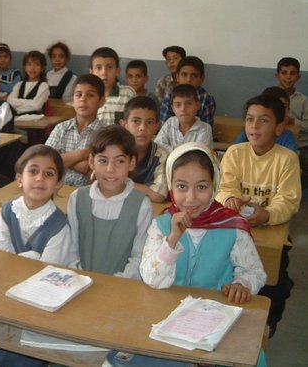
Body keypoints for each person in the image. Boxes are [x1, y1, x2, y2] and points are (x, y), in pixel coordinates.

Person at [106, 143, 266, 367]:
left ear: (214, 185)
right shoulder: (161, 226)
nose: (191, 198)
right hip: (164, 319)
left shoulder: (232, 226)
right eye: (181, 186)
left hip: (215, 320)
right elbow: (153, 280)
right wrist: (172, 240)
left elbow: (254, 271)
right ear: (171, 186)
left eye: (201, 187)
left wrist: (242, 283)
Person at [0, 145, 77, 367]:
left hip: (43, 298)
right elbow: (1, 257)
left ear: (58, 185)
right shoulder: (6, 211)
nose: (39, 179)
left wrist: (21, 260)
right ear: (19, 179)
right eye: (33, 171)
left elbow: (46, 272)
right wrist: (31, 256)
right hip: (6, 287)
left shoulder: (60, 225)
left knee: (23, 351)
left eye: (49, 174)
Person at [216, 94, 301, 337]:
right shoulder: (234, 152)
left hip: (270, 232)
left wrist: (267, 214)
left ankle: (268, 323)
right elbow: (224, 189)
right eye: (250, 119)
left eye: (264, 120)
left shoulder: (287, 159)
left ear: (279, 127)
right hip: (235, 228)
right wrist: (230, 200)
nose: (254, 126)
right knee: (228, 274)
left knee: (277, 282)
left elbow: (288, 201)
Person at [67, 125, 153, 279]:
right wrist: (79, 275)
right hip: (79, 283)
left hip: (122, 288)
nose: (110, 169)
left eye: (119, 161)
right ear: (92, 161)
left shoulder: (142, 205)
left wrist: (115, 284)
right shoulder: (77, 198)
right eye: (103, 160)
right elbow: (70, 248)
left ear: (132, 163)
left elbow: (139, 257)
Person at [45, 74, 105, 186]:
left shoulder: (105, 134)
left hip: (87, 193)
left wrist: (61, 158)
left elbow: (96, 172)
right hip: (56, 189)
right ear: (72, 100)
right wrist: (81, 155)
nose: (83, 99)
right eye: (78, 95)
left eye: (90, 95)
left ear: (101, 101)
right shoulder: (61, 128)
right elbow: (46, 161)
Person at [120, 96, 168, 202]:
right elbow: (100, 181)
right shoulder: (114, 150)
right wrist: (146, 189)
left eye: (149, 122)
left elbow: (158, 195)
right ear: (124, 125)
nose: (142, 127)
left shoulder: (162, 154)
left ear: (157, 126)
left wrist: (119, 182)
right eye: (136, 121)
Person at [275, 57, 308, 188]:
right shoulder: (270, 96)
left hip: (301, 144)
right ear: (277, 75)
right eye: (284, 73)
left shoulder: (303, 100)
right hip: (276, 141)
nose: (288, 77)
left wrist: (294, 121)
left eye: (292, 73)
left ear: (298, 77)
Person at [233, 86, 297, 152]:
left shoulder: (287, 137)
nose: (280, 110)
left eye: (284, 106)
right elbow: (236, 151)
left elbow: (290, 156)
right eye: (250, 119)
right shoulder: (250, 133)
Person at [160, 56, 216, 129]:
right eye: (184, 74)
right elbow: (164, 126)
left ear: (202, 79)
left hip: (197, 138)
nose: (188, 79)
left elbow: (206, 129)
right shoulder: (169, 96)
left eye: (194, 75)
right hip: (172, 137)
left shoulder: (206, 99)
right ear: (177, 77)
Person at [154, 84, 213, 151]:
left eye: (188, 104)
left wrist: (169, 149)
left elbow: (197, 154)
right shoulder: (170, 122)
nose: (183, 109)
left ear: (197, 105)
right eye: (178, 105)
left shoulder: (205, 128)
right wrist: (187, 150)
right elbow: (157, 147)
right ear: (173, 108)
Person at [89, 47, 135, 125]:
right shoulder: (88, 96)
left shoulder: (127, 94)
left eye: (109, 67)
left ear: (117, 71)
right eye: (98, 68)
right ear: (91, 72)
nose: (104, 72)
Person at [8, 50, 50, 115]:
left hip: (35, 121)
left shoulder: (43, 86)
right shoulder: (19, 85)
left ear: (42, 68)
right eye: (29, 64)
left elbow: (37, 106)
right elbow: (10, 101)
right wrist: (30, 103)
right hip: (17, 120)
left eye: (37, 65)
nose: (32, 68)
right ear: (25, 67)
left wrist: (17, 107)